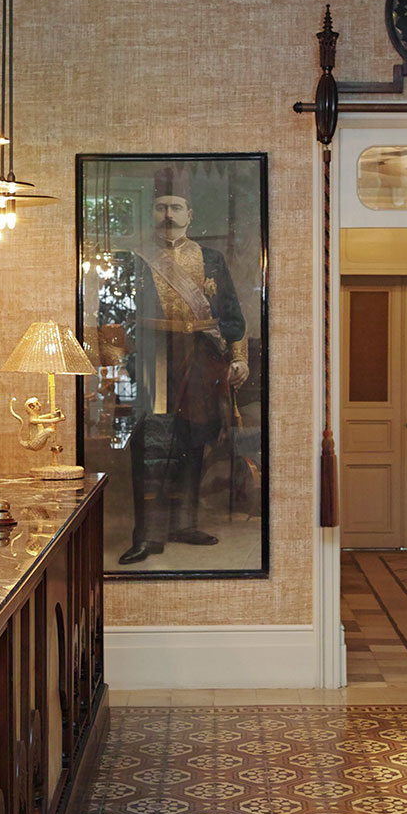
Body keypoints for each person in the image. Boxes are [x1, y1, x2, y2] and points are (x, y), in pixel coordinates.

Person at [113, 167, 249, 564]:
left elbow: (232, 317)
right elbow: (112, 318)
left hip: (202, 361)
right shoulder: (132, 259)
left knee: (193, 444)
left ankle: (184, 524)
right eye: (161, 207)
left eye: (175, 207)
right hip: (152, 359)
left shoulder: (212, 260)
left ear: (190, 214)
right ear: (152, 213)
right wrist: (116, 368)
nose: (168, 215)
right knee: (152, 448)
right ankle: (148, 535)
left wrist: (238, 358)